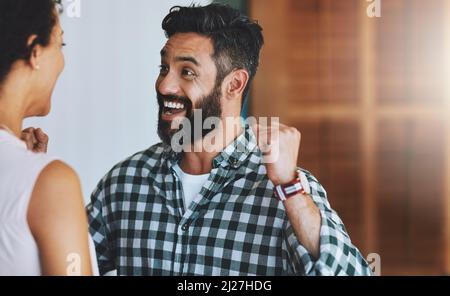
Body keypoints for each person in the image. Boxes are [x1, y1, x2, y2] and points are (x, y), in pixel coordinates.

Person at [87, 4, 372, 275]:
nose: (164, 85)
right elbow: (57, 261)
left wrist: (291, 190)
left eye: (186, 72)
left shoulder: (286, 191)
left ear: (234, 84)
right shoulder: (123, 183)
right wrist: (39, 158)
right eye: (164, 68)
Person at [0, 0, 97, 276]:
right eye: (60, 45)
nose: (63, 60)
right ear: (35, 52)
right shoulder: (52, 181)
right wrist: (37, 180)